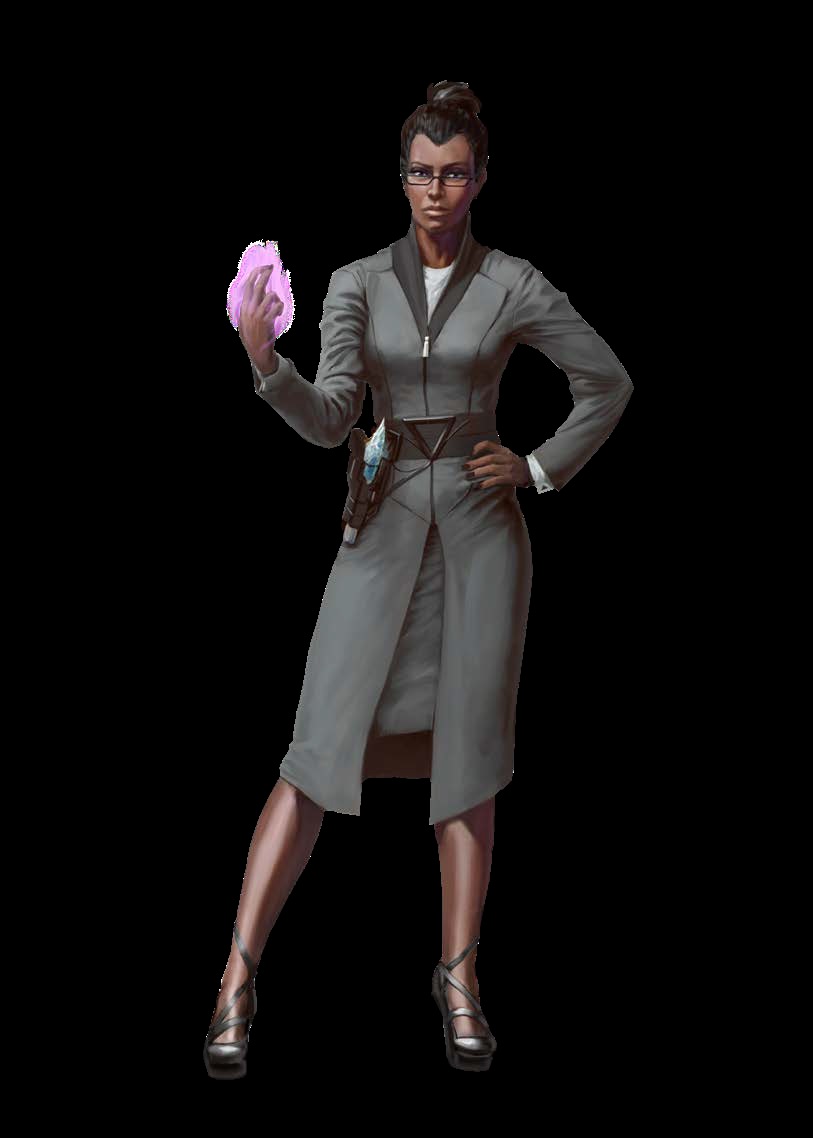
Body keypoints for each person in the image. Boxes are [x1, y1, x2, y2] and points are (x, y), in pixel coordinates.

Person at [205, 81, 634, 1077]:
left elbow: (607, 381)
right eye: (419, 173)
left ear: (479, 179)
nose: (435, 191)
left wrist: (535, 466)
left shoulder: (514, 282)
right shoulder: (357, 282)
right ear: (400, 179)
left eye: (453, 173)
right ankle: (236, 974)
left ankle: (459, 977)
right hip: (382, 522)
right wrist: (267, 364)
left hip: (483, 538)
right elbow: (332, 418)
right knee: (314, 749)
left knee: (467, 762)